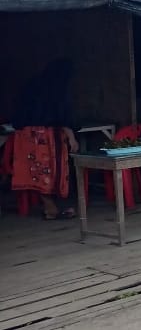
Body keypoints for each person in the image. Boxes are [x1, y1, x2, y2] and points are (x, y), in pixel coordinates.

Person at [2, 59, 80, 219]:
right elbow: (61, 117)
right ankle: (50, 208)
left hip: (26, 136)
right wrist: (71, 135)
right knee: (49, 172)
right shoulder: (57, 89)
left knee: (38, 173)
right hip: (45, 138)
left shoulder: (34, 84)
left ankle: (50, 207)